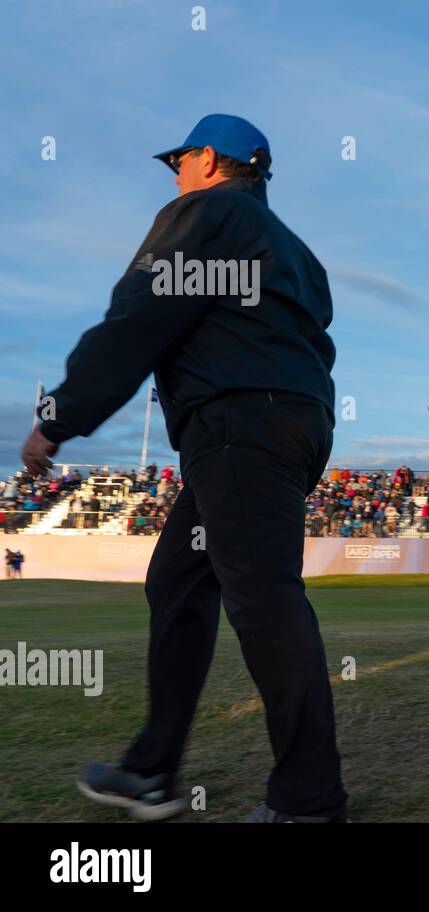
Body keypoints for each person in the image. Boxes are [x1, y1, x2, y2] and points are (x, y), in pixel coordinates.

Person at [22, 115, 347, 822]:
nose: (174, 174)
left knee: (263, 600)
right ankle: (152, 771)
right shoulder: (296, 250)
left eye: (180, 159)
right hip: (287, 425)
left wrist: (61, 414)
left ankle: (308, 802)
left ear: (210, 158)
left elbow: (138, 315)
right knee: (177, 582)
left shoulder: (206, 210)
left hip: (238, 426)